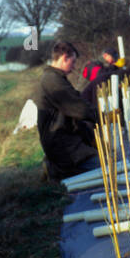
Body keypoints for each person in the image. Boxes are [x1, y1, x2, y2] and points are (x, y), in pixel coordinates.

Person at [33, 41, 100, 182]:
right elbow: (80, 109)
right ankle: (56, 171)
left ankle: (56, 170)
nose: (74, 67)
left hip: (65, 141)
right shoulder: (52, 81)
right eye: (73, 62)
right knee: (107, 168)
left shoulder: (55, 78)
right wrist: (102, 116)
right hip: (64, 146)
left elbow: (77, 98)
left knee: (103, 160)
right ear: (64, 57)